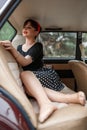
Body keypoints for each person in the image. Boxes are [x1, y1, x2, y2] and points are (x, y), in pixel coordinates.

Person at [0, 19, 86, 123]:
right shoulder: (19, 47)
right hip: (31, 79)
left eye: (29, 27)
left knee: (25, 74)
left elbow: (24, 62)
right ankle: (70, 98)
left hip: (44, 74)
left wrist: (12, 49)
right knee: (28, 89)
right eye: (24, 27)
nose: (25, 29)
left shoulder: (37, 46)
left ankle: (45, 104)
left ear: (36, 32)